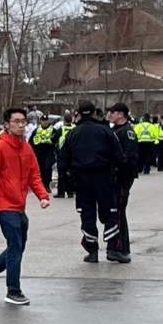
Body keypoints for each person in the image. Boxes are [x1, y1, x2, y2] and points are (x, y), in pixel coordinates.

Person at [0, 107, 50, 307]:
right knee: (16, 245)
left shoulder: (26, 148)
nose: (20, 125)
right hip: (3, 206)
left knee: (18, 245)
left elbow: (34, 175)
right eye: (16, 121)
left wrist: (42, 195)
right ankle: (13, 290)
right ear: (7, 125)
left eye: (23, 121)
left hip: (19, 205)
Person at [58, 101, 125, 264]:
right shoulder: (106, 131)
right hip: (103, 177)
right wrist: (117, 175)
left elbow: (62, 159)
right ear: (94, 113)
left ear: (79, 113)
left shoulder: (72, 134)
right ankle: (112, 249)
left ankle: (92, 250)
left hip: (82, 180)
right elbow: (119, 155)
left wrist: (67, 179)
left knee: (87, 214)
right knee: (110, 213)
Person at [106, 103, 137, 263]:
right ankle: (114, 245)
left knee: (118, 213)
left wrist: (121, 177)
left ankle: (121, 248)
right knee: (114, 213)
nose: (111, 115)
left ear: (121, 114)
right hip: (114, 179)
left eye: (113, 112)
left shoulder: (127, 132)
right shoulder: (114, 130)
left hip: (122, 180)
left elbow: (129, 159)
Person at [30, 115, 57, 191]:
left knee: (47, 168)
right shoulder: (36, 130)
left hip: (49, 152)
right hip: (39, 152)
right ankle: (41, 185)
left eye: (46, 120)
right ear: (40, 121)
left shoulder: (53, 130)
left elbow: (56, 140)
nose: (44, 122)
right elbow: (31, 142)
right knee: (41, 169)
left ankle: (47, 185)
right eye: (43, 120)